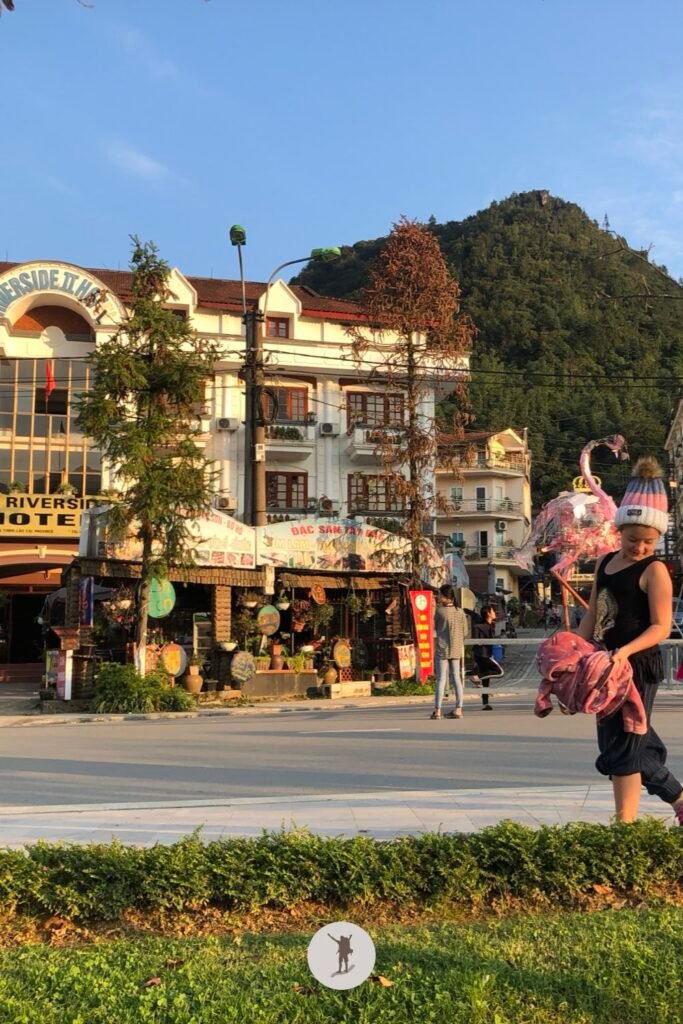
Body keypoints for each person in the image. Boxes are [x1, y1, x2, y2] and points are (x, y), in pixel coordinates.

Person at [576, 457, 683, 825]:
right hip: (604, 666)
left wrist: (625, 651)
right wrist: (574, 652)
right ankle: (680, 799)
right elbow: (591, 616)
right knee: (629, 742)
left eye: (648, 541)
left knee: (624, 744)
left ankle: (625, 828)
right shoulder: (604, 563)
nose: (639, 547)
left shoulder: (655, 570)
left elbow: (661, 627)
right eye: (632, 539)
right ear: (619, 529)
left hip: (635, 666)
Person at [431, 584, 467, 719]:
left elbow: (436, 628)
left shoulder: (440, 612)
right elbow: (466, 631)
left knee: (441, 679)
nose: (439, 597)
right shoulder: (461, 612)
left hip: (442, 647)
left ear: (446, 596)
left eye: (440, 595)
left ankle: (438, 710)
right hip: (457, 647)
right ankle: (459, 708)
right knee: (457, 678)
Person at [472, 604, 499, 710]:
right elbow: (476, 641)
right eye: (493, 611)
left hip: (487, 654)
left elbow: (475, 615)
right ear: (488, 613)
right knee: (498, 671)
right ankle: (475, 675)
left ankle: (485, 703)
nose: (494, 613)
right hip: (481, 655)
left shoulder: (491, 625)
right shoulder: (479, 626)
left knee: (486, 679)